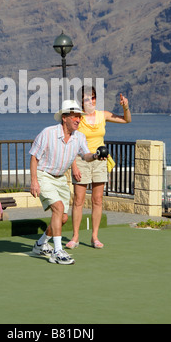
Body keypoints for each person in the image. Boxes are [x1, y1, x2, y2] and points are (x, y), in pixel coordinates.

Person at [29, 100, 100, 265]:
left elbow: (86, 155)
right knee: (59, 208)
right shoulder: (48, 133)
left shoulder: (79, 137)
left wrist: (95, 156)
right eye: (74, 116)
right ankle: (57, 252)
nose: (78, 120)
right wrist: (34, 181)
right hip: (44, 175)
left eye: (79, 117)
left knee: (62, 218)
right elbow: (34, 156)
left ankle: (40, 244)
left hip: (60, 178)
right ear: (64, 118)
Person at [66, 87, 131, 250]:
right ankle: (75, 237)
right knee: (79, 200)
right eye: (87, 99)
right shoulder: (78, 118)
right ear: (81, 102)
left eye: (93, 98)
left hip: (100, 161)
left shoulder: (103, 115)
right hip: (81, 160)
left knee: (98, 200)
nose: (91, 101)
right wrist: (73, 165)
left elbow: (126, 120)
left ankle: (95, 237)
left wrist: (126, 107)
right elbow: (71, 143)